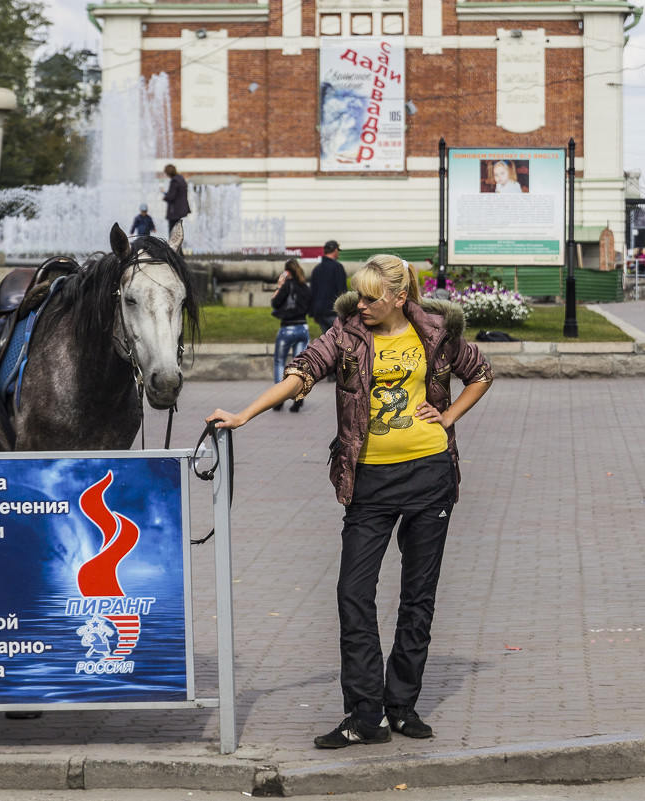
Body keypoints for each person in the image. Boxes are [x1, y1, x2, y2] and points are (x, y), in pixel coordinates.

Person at [206, 255, 493, 748]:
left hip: (429, 475)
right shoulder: (345, 334)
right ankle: (366, 714)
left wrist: (447, 419)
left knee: (417, 597)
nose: (360, 304)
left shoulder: (435, 331)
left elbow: (481, 373)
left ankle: (401, 705)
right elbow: (301, 374)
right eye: (358, 295)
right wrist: (244, 415)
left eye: (371, 297)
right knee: (353, 593)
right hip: (369, 484)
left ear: (399, 298)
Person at [270, 259, 312, 412]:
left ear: (287, 271)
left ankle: (278, 399)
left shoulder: (287, 286)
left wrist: (279, 286)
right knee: (299, 366)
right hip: (302, 327)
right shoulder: (305, 287)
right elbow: (310, 306)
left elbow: (275, 303)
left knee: (280, 361)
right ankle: (299, 397)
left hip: (287, 328)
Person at [309, 240, 347, 336]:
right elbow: (341, 290)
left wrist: (313, 312)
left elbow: (313, 292)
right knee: (339, 339)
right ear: (334, 250)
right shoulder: (337, 267)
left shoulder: (317, 269)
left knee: (327, 341)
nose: (338, 253)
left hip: (320, 312)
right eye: (337, 250)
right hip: (333, 311)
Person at [161, 164, 190, 235]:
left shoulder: (174, 181)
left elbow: (171, 196)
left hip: (174, 211)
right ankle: (178, 246)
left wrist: (165, 195)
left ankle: (173, 246)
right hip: (180, 209)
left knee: (172, 232)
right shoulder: (181, 179)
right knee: (177, 231)